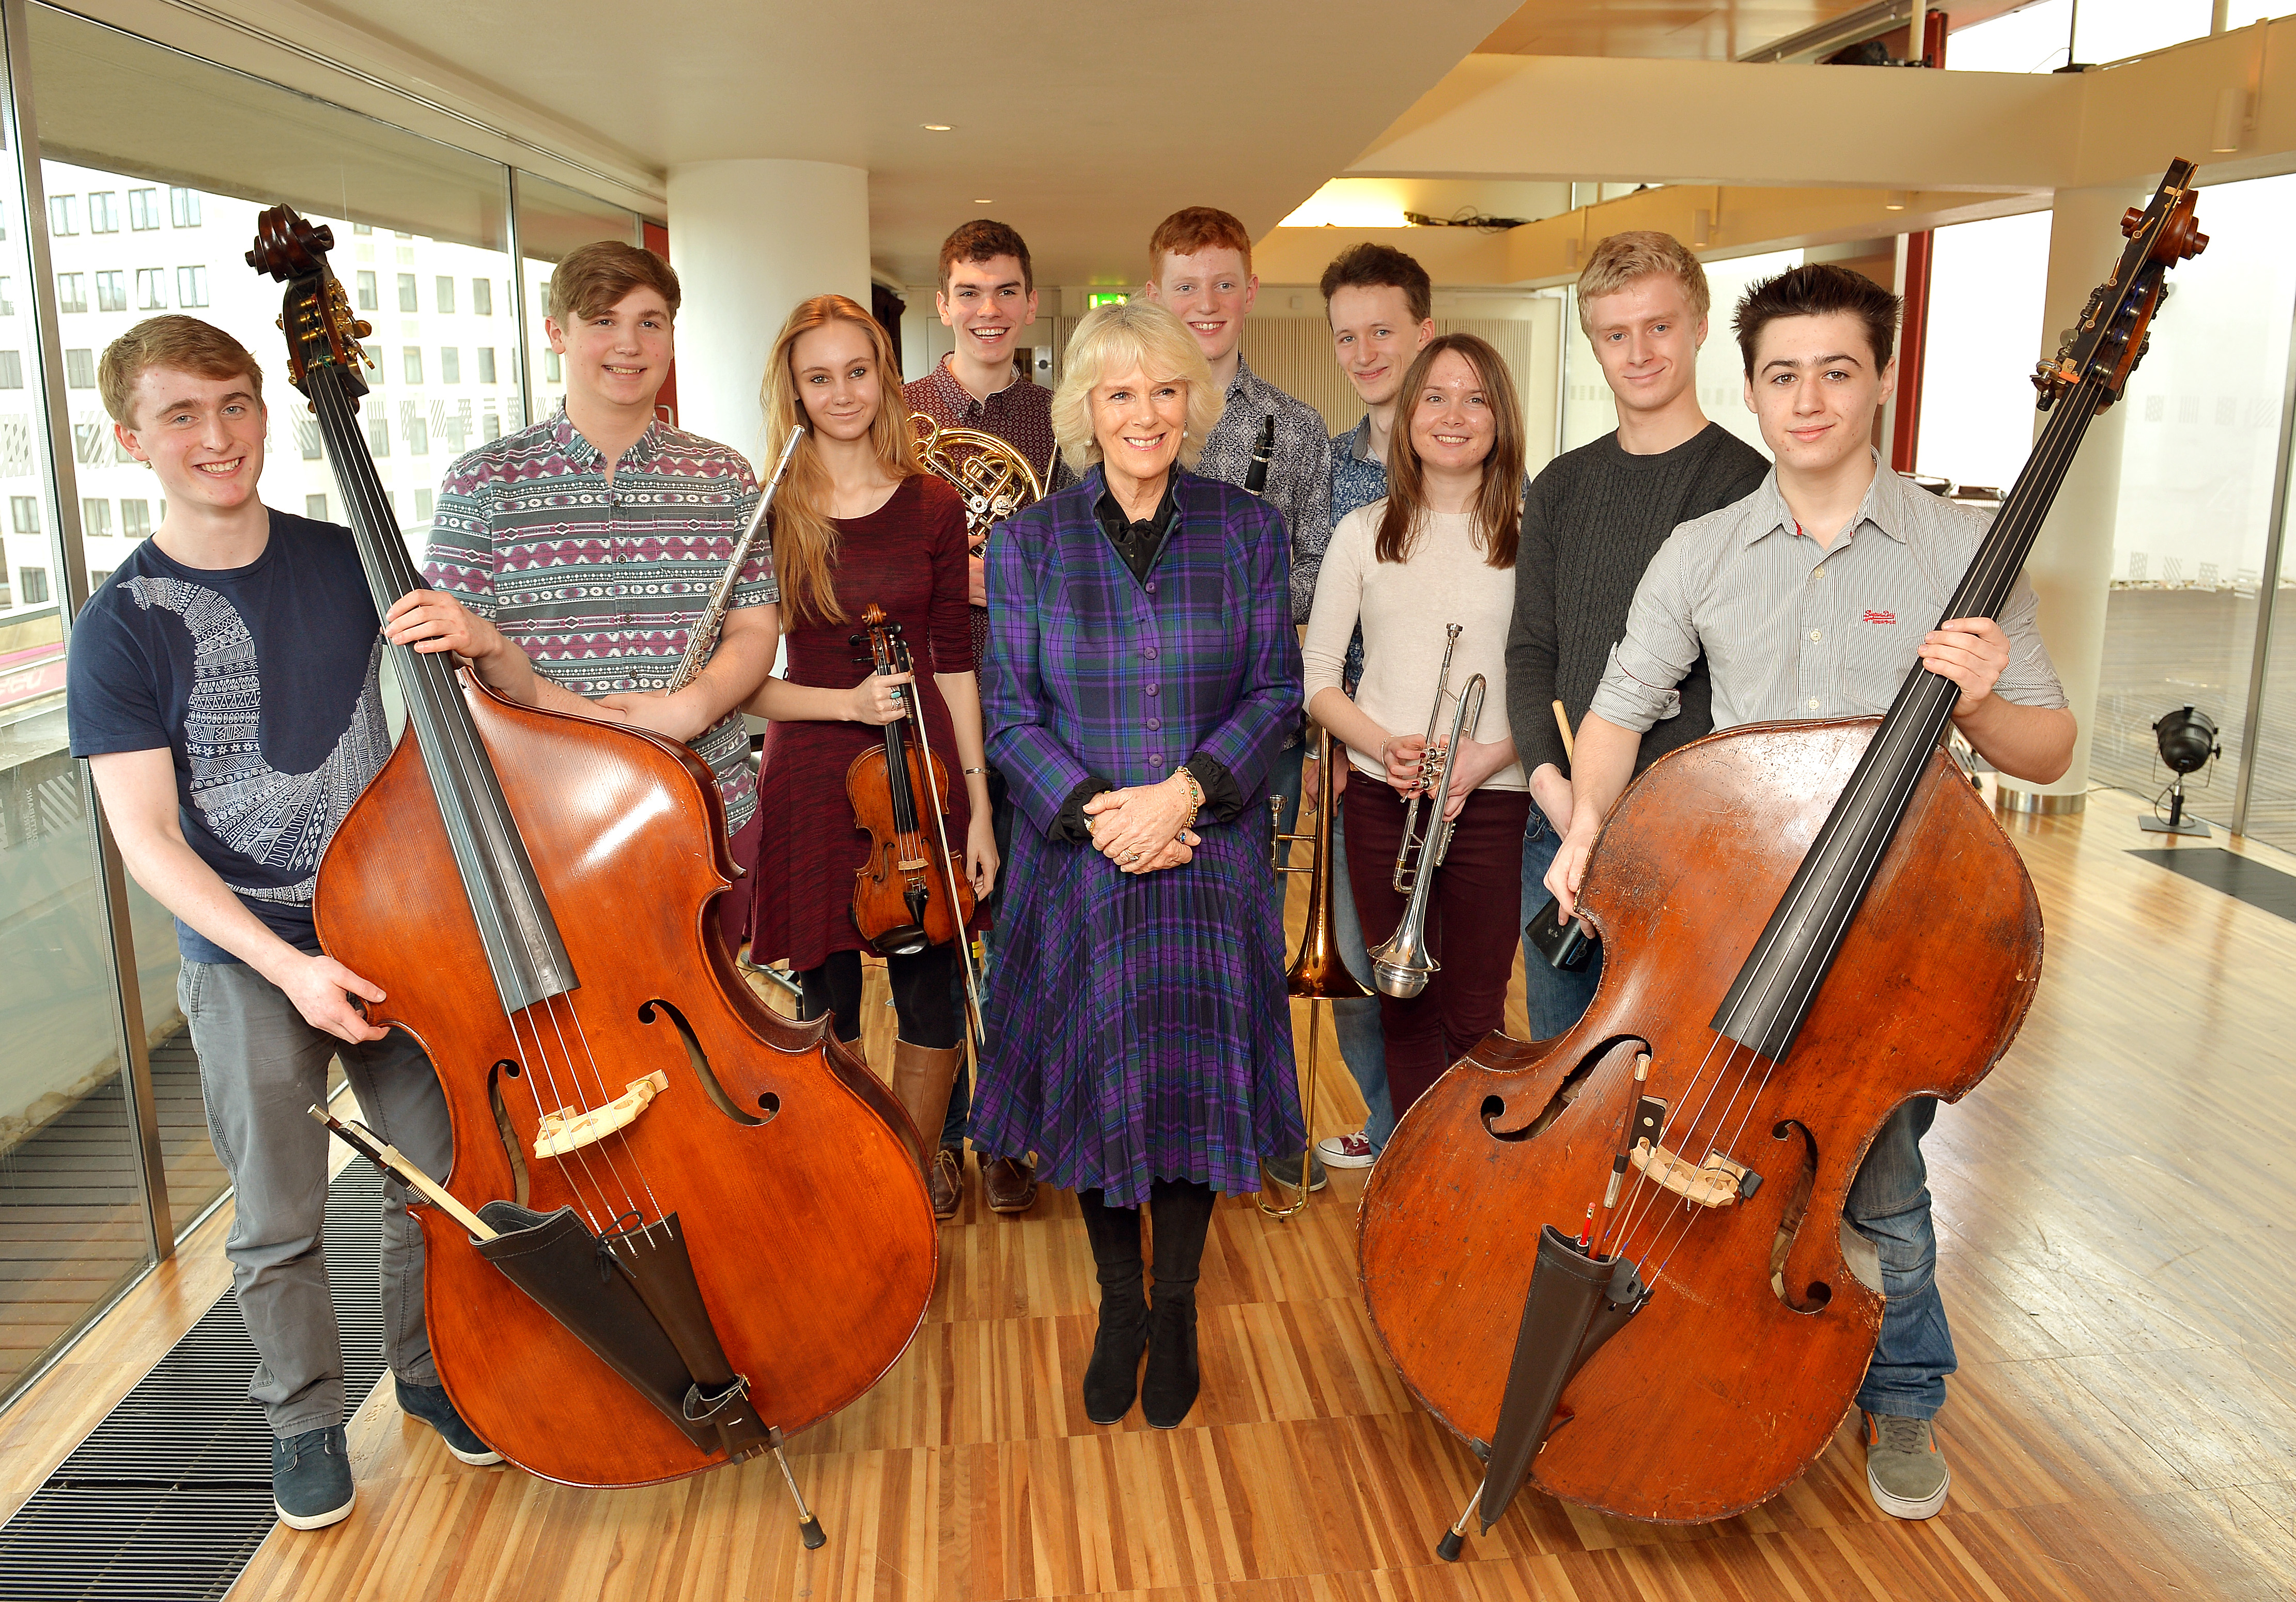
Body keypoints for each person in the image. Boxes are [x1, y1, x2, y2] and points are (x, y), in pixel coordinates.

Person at [1548, 263, 2076, 1525]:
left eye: (1835, 371)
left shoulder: (1964, 549)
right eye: (1781, 375)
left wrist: (1984, 689)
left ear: (1879, 382)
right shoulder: (1703, 550)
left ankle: (1902, 1404)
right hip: (1736, 912)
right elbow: (1619, 713)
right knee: (1691, 1144)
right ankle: (1695, 1356)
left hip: (1895, 928)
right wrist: (1581, 830)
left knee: (1878, 1184)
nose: (1807, 399)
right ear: (1751, 388)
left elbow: (2050, 752)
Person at [66, 316, 499, 1532]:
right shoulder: (117, 628)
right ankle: (305, 1421)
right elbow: (147, 838)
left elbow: (468, 710)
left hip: (401, 931)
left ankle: (428, 1378)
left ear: (267, 411)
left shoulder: (350, 555)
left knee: (439, 1180)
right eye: (183, 416)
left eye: (237, 405)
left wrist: (476, 638)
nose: (219, 437)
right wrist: (289, 966)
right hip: (250, 959)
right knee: (278, 1219)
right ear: (131, 439)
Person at [970, 301, 1302, 1432]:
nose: (1144, 414)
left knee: (1189, 1095)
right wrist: (1098, 814)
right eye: (1119, 394)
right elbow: (1009, 715)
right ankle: (1119, 1305)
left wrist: (1183, 795)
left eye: (1164, 390)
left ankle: (1178, 1303)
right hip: (1079, 867)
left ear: (1191, 404)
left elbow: (1275, 698)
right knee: (1103, 1093)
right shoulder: (1025, 544)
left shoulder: (1247, 531)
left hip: (1207, 855)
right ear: (1086, 413)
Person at [404, 241, 778, 946]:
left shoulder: (725, 475)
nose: (629, 345)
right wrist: (600, 725)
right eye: (603, 322)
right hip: (552, 818)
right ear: (557, 333)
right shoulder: (482, 483)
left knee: (717, 1037)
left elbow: (756, 631)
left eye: (650, 322)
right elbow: (455, 672)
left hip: (710, 805)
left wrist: (687, 709)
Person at [744, 293, 997, 1206]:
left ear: (884, 377)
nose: (842, 392)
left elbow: (955, 662)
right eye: (820, 377)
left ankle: (914, 1164)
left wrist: (981, 809)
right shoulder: (771, 508)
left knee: (932, 978)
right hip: (814, 769)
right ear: (795, 390)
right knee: (827, 994)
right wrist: (846, 703)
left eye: (858, 371)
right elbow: (741, 682)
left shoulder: (932, 500)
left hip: (923, 765)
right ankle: (847, 1168)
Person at [1506, 232, 1768, 1039]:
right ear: (1594, 345)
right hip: (1562, 828)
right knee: (1562, 1076)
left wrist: (1630, 814)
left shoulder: (1751, 486)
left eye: (1658, 326)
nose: (1639, 352)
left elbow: (1739, 687)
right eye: (1616, 335)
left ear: (1698, 325)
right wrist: (1561, 797)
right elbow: (1529, 654)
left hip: (1687, 837)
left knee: (1672, 1077)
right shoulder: (1561, 486)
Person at [1142, 205, 1331, 1192]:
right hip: (1133, 720)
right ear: (1156, 296)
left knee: (1248, 922)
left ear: (1251, 291)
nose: (1205, 304)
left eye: (1224, 283)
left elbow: (1313, 572)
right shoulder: (1125, 411)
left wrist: (1231, 603)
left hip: (1253, 721)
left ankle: (1257, 1122)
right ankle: (1157, 1114)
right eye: (1186, 285)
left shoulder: (1295, 431)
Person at [1303, 334, 1528, 1123]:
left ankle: (1469, 1191)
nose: (1454, 415)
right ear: (1408, 416)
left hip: (1495, 799)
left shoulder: (1535, 535)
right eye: (1435, 396)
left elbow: (1556, 688)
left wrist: (1484, 759)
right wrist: (1380, 745)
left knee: (1476, 1013)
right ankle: (1412, 1186)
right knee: (1403, 1004)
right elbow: (1319, 679)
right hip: (1381, 796)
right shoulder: (1363, 532)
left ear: (1501, 416)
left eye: (1476, 397)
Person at [903, 218, 1071, 1218]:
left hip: (1033, 696)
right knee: (937, 929)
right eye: (969, 292)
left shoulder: (1060, 418)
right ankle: (941, 1138)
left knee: (1020, 928)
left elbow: (1085, 554)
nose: (988, 310)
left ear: (1031, 302)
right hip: (929, 693)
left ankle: (1009, 1132)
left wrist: (1002, 573)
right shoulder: (901, 412)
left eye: (1006, 290)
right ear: (941, 303)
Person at [1306, 243, 1435, 1172]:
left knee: (1451, 961)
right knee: (1357, 952)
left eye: (1383, 330)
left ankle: (1444, 1134)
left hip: (1480, 760)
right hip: (1360, 747)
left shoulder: (1496, 463)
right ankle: (1393, 1127)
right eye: (1347, 336)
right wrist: (1336, 745)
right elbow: (1318, 618)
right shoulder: (1329, 467)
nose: (1365, 352)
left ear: (1425, 332)